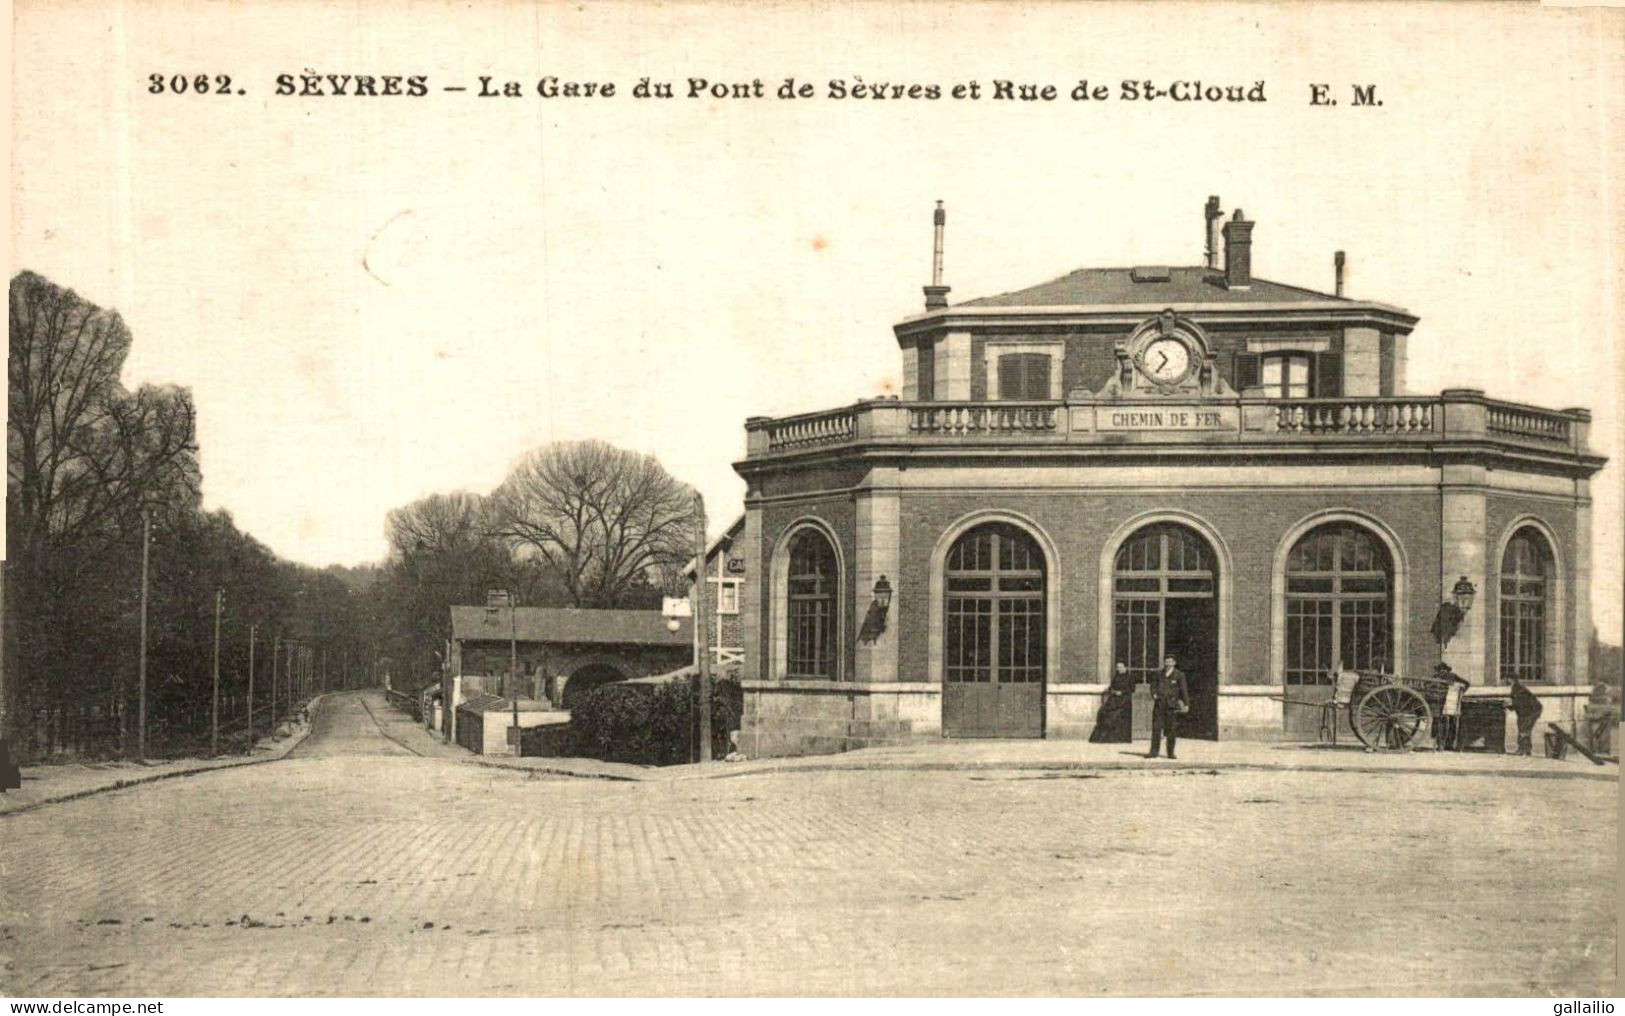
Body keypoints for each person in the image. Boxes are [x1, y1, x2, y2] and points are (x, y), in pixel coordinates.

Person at [1147, 654, 1190, 760]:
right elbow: (1153, 686)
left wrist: (1186, 704)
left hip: (1171, 706)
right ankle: (1153, 752)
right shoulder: (1158, 674)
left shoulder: (1179, 675)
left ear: (1174, 663)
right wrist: (1154, 694)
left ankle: (1170, 753)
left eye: (1170, 662)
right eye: (1166, 661)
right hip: (1159, 705)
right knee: (1156, 729)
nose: (1168, 664)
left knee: (1171, 730)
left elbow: (1184, 690)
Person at [1088, 662, 1135, 743]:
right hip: (1114, 699)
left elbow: (1132, 689)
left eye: (1121, 667)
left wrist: (1122, 692)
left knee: (1121, 718)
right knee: (1107, 714)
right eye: (1117, 667)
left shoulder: (1129, 677)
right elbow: (1111, 687)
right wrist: (1113, 691)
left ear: (1125, 667)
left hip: (1124, 701)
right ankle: (1110, 738)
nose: (1119, 669)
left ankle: (1122, 738)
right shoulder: (1116, 677)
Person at [1508, 677, 1542, 756]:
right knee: (1525, 729)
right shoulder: (1516, 688)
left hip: (1530, 712)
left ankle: (1522, 750)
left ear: (1511, 680)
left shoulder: (1519, 690)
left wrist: (1510, 706)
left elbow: (1520, 704)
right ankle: (1527, 750)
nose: (1506, 681)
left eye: (1508, 679)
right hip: (1527, 712)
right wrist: (1509, 706)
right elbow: (1516, 704)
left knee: (1523, 729)